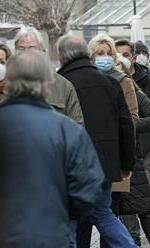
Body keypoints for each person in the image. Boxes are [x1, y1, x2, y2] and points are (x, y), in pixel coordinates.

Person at [0, 49, 104, 248]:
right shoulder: (68, 130)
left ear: (8, 81)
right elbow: (88, 188)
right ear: (48, 83)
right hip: (50, 235)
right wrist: (61, 211)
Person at [57, 34, 137, 248]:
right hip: (104, 163)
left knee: (70, 218)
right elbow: (126, 126)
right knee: (104, 213)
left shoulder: (61, 83)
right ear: (87, 53)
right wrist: (126, 164)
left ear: (61, 56)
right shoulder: (110, 82)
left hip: (71, 164)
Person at [116, 39, 150, 248]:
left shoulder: (148, 81)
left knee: (149, 193)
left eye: (126, 54)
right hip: (121, 150)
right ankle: (132, 240)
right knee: (125, 194)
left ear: (133, 56)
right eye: (117, 54)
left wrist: (138, 133)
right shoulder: (110, 82)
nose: (122, 58)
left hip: (143, 148)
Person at [14, 27, 84, 124]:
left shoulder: (62, 86)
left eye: (32, 48)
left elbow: (77, 127)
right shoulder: (5, 84)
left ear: (43, 52)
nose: (26, 54)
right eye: (21, 49)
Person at [88, 33, 139, 123]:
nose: (106, 57)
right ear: (91, 56)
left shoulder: (124, 81)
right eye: (100, 54)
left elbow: (133, 117)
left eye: (110, 54)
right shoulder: (85, 80)